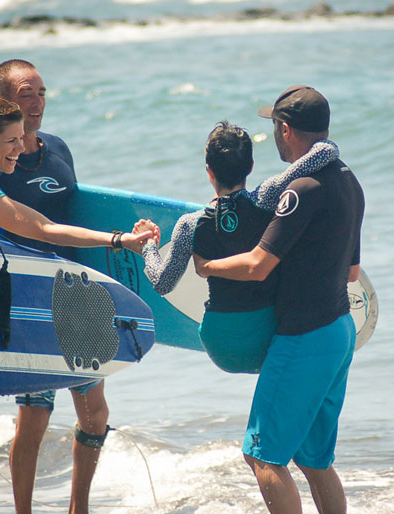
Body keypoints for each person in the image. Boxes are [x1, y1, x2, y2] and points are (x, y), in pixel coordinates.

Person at [194, 85, 365, 514]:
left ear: (285, 130)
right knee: (313, 460)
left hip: (304, 337)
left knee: (263, 455)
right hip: (339, 331)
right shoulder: (348, 180)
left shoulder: (301, 189)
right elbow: (352, 273)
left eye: (274, 126)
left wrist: (207, 266)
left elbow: (257, 265)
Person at [0, 60, 109, 514]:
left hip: (76, 298)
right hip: (31, 303)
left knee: (96, 415)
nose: (36, 103)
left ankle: (79, 508)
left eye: (40, 92)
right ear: (3, 103)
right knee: (35, 415)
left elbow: (77, 215)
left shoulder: (58, 148)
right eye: (25, 94)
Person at [130, 121, 339, 373]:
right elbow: (326, 151)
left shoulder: (190, 225)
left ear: (209, 171)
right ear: (250, 166)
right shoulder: (268, 197)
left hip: (220, 344)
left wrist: (148, 247)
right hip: (268, 337)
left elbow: (163, 283)